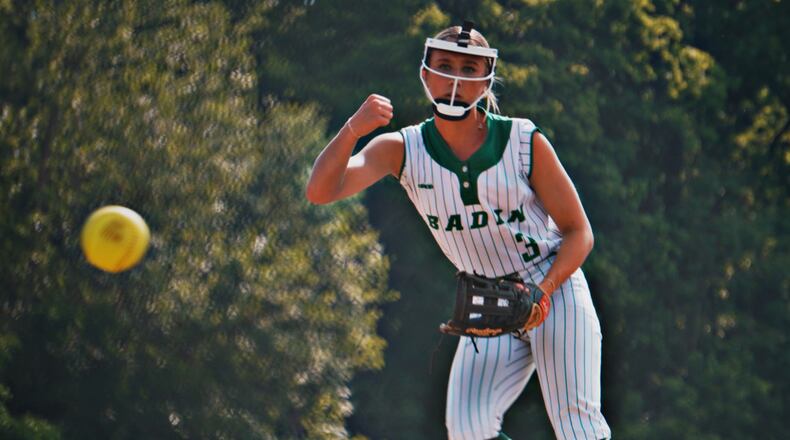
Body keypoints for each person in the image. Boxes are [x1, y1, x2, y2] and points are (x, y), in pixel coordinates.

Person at [306, 21, 611, 440]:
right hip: (490, 302)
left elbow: (579, 232)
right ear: (425, 74)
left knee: (576, 423)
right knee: (468, 429)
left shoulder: (521, 139)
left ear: (486, 80)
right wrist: (353, 130)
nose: (455, 77)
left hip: (551, 288)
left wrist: (543, 294)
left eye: (469, 69)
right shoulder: (403, 148)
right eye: (445, 65)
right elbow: (321, 191)